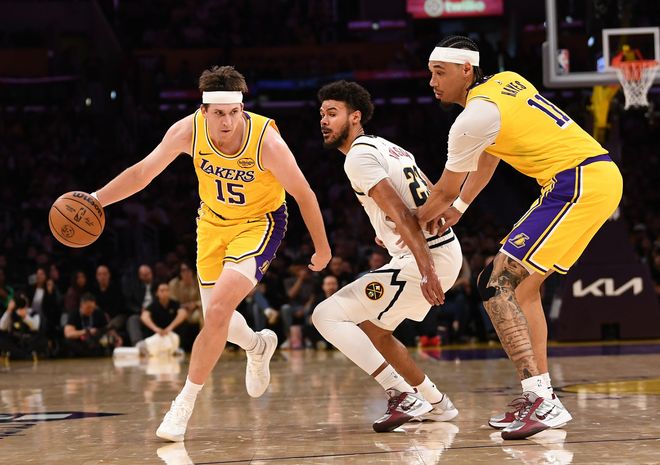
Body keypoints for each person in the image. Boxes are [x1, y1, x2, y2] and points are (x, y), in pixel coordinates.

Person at [86, 65, 330, 441]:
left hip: (259, 224)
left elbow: (304, 193)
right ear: (204, 111)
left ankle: (183, 405)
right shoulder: (187, 131)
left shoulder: (267, 142)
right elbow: (143, 172)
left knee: (216, 312)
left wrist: (323, 247)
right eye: (219, 113)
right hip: (212, 224)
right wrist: (96, 199)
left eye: (234, 112)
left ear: (242, 108)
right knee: (221, 321)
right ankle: (258, 345)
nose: (228, 122)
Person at [417, 35, 623, 439]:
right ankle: (539, 396)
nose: (432, 82)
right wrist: (461, 207)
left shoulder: (471, 119)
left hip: (577, 181)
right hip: (588, 178)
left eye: (439, 72)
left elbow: (440, 192)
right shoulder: (506, 82)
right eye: (430, 73)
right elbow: (490, 153)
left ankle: (543, 401)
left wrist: (406, 225)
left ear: (466, 70)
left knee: (496, 283)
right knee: (524, 289)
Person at [314, 80, 460, 432]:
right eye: (322, 114)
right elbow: (433, 198)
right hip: (438, 250)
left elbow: (401, 212)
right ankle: (437, 403)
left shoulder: (358, 158)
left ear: (355, 117)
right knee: (375, 331)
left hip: (426, 258)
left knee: (326, 315)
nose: (324, 121)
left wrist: (425, 269)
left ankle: (401, 394)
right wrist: (391, 231)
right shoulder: (390, 148)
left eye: (332, 113)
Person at [135, 283, 189, 356]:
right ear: (157, 293)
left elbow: (183, 313)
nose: (165, 293)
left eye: (167, 290)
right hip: (157, 333)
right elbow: (144, 316)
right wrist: (156, 329)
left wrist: (170, 327)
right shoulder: (153, 305)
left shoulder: (175, 303)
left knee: (184, 324)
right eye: (162, 290)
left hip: (171, 332)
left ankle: (177, 348)